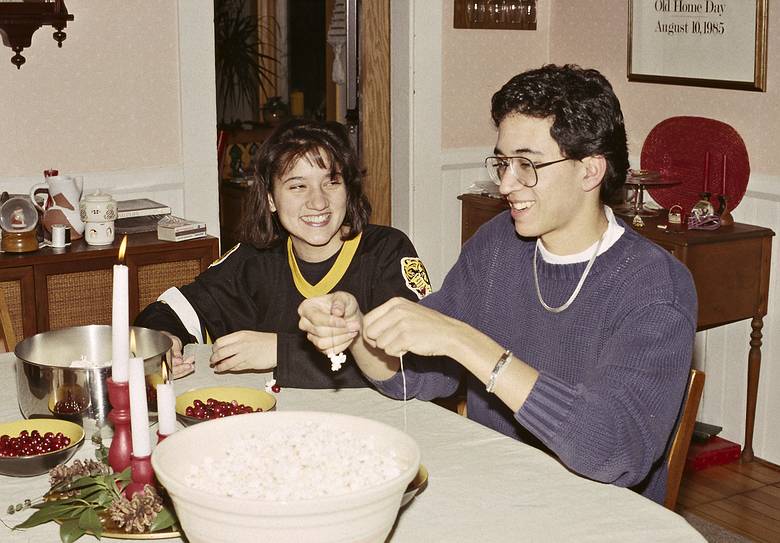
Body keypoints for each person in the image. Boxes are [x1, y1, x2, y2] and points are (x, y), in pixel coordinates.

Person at [298, 64, 697, 503]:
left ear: (590, 171)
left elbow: (614, 450)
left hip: (598, 517)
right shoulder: (498, 244)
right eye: (503, 162)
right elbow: (417, 380)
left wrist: (465, 342)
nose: (506, 183)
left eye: (526, 164)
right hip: (497, 491)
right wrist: (357, 334)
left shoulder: (657, 287)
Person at [135, 118, 432, 388]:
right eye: (297, 186)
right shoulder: (255, 259)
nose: (318, 202)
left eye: (331, 182)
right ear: (271, 200)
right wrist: (166, 339)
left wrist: (281, 352)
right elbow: (168, 311)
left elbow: (414, 367)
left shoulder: (386, 252)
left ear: (348, 189)